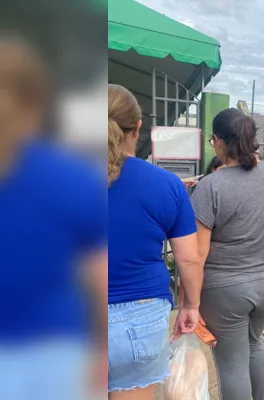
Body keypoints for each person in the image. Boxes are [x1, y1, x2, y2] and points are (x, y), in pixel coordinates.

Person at [0, 36, 107, 399]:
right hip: (57, 357)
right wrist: (102, 353)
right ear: (39, 105)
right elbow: (99, 279)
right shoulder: (73, 179)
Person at [190, 108, 264, 400]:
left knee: (231, 362)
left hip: (225, 290)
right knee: (252, 344)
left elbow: (197, 255)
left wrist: (190, 301)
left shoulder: (210, 186)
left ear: (219, 141)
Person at [107, 84, 204, 399]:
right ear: (138, 128)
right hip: (142, 320)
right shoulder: (166, 185)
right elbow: (189, 259)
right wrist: (191, 305)